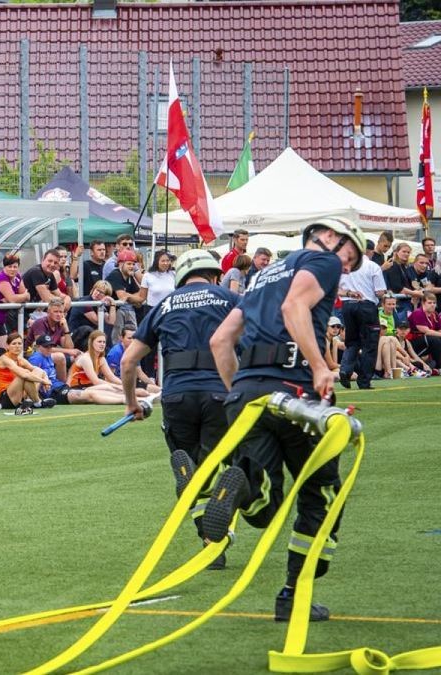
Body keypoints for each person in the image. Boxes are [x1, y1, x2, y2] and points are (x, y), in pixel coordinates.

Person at [208, 216, 366, 622]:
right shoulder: (322, 261)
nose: (345, 269)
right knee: (323, 494)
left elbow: (220, 339)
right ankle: (294, 594)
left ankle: (245, 487)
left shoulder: (263, 273)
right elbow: (294, 306)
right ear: (329, 237)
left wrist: (238, 394)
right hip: (293, 389)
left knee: (265, 507)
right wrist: (318, 365)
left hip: (247, 392)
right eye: (349, 257)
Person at [121, 249, 238, 568]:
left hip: (175, 396)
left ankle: (210, 543)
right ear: (214, 274)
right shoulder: (227, 298)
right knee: (229, 462)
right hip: (219, 394)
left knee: (192, 472)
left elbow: (128, 361)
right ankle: (224, 506)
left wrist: (133, 404)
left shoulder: (164, 305)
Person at [336, 252, 386, 389]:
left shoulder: (343, 266)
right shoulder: (372, 266)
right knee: (370, 345)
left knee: (352, 342)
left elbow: (336, 289)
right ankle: (364, 380)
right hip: (366, 306)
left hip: (347, 306)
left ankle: (345, 369)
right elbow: (379, 291)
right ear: (368, 252)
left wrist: (348, 293)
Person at [0, 332, 56, 410]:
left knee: (37, 372)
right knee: (23, 375)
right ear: (7, 346)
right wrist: (43, 381)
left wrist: (46, 378)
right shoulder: (4, 359)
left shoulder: (19, 359)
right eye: (14, 344)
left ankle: (30, 400)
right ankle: (37, 402)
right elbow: (24, 375)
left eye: (19, 343)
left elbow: (39, 370)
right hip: (2, 397)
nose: (17, 346)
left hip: (16, 393)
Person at [27, 301, 80, 382]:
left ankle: (69, 384)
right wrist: (69, 351)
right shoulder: (40, 323)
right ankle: (62, 385)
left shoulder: (60, 324)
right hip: (33, 354)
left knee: (79, 356)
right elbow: (42, 348)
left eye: (61, 312)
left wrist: (66, 328)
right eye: (55, 311)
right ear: (48, 312)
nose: (58, 314)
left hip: (48, 354)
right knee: (60, 357)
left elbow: (69, 347)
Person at [106, 248, 144, 341]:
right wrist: (132, 297)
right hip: (112, 312)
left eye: (133, 264)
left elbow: (141, 297)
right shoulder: (115, 274)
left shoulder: (129, 276)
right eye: (129, 264)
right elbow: (122, 296)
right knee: (117, 340)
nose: (132, 266)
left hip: (124, 310)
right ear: (120, 264)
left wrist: (129, 296)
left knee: (134, 337)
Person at [407, 292, 441, 369]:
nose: (432, 305)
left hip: (426, 342)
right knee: (434, 339)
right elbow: (427, 331)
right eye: (429, 303)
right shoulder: (418, 313)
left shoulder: (435, 314)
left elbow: (439, 330)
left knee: (436, 339)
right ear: (423, 303)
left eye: (434, 303)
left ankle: (436, 366)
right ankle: (439, 367)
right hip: (412, 343)